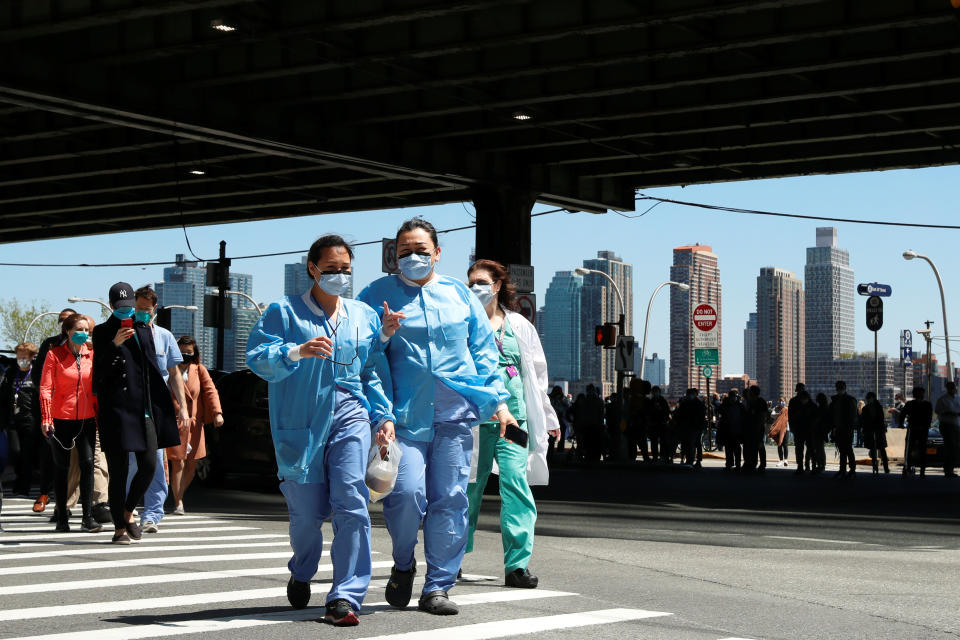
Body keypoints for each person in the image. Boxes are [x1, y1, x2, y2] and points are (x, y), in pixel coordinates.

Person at [357, 218, 510, 616]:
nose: (413, 257)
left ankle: (438, 586)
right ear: (394, 255)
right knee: (406, 494)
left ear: (437, 253)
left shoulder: (459, 295)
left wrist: (495, 398)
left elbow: (483, 351)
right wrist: (384, 337)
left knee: (451, 500)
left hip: (455, 416)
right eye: (405, 251)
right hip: (402, 419)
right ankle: (404, 562)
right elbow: (366, 359)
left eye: (421, 250)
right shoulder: (376, 294)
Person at [247, 234, 396, 626]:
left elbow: (371, 370)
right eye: (331, 269)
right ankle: (302, 567)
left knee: (352, 500)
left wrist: (383, 417)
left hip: (351, 414)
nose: (339, 276)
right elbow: (257, 359)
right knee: (306, 516)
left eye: (345, 269)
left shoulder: (363, 314)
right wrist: (296, 351)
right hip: (302, 422)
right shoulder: (284, 311)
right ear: (312, 268)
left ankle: (345, 595)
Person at [464, 259, 560, 590]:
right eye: (470, 282)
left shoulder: (520, 325)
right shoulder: (463, 324)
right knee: (468, 489)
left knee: (516, 484)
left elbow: (537, 375)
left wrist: (548, 415)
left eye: (480, 282)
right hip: (476, 419)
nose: (474, 287)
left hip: (516, 419)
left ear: (497, 286)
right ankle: (452, 556)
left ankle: (517, 565)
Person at [93, 282, 187, 545]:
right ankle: (119, 529)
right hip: (115, 410)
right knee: (119, 470)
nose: (127, 313)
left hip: (144, 409)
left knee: (149, 464)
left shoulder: (143, 329)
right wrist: (114, 345)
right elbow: (98, 375)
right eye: (121, 308)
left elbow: (156, 372)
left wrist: (174, 406)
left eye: (129, 308)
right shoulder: (101, 333)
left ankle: (127, 510)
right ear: (111, 306)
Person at [124, 286, 188, 534]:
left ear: (155, 310)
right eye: (138, 309)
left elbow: (174, 374)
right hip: (133, 407)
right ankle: (128, 510)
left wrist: (182, 407)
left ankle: (152, 514)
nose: (142, 314)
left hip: (157, 408)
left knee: (156, 463)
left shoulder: (165, 337)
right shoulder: (126, 334)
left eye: (147, 310)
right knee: (132, 463)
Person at [38, 314, 101, 533]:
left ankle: (87, 518)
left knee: (87, 464)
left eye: (87, 330)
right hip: (60, 419)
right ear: (67, 331)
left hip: (86, 419)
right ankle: (62, 516)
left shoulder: (91, 355)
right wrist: (46, 418)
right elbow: (45, 388)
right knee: (62, 468)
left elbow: (98, 388)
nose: (84, 333)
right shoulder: (54, 355)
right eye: (79, 329)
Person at [167, 336, 223, 515]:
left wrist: (217, 413)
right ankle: (178, 501)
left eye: (189, 352)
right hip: (175, 422)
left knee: (192, 465)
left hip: (195, 424)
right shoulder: (169, 369)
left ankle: (180, 493)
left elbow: (210, 390)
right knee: (178, 462)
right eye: (182, 352)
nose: (185, 355)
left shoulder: (198, 370)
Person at [29, 308, 74, 515]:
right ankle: (44, 493)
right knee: (49, 451)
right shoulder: (50, 343)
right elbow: (38, 377)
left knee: (77, 456)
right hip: (53, 408)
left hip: (75, 409)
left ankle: (68, 501)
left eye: (68, 320)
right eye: (61, 320)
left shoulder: (84, 346)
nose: (64, 324)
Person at [1, 342, 41, 497]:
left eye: (24, 356)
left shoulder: (36, 373)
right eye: (19, 356)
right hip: (13, 420)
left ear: (31, 357)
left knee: (27, 454)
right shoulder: (11, 373)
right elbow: (4, 396)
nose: (21, 359)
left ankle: (23, 486)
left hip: (31, 420)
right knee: (16, 451)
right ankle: (18, 479)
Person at [829, 381, 858, 479]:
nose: (839, 389)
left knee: (846, 450)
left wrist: (833, 427)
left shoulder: (836, 400)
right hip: (843, 429)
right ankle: (848, 470)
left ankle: (845, 470)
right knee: (845, 450)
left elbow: (833, 415)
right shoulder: (850, 400)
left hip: (843, 429)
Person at [902, 386, 933, 477]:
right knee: (910, 448)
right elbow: (903, 414)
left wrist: (927, 426)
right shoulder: (911, 404)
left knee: (920, 449)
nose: (920, 395)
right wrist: (900, 423)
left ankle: (921, 467)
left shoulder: (926, 404)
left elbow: (929, 417)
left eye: (921, 393)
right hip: (913, 428)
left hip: (921, 429)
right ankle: (909, 466)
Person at [673, 388, 705, 467]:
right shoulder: (694, 403)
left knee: (692, 443)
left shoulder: (696, 404)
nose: (691, 396)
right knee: (692, 443)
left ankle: (692, 460)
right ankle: (692, 460)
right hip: (690, 427)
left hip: (694, 427)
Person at [788, 384, 815, 475]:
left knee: (800, 448)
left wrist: (792, 427)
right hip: (806, 428)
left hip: (799, 428)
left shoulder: (793, 401)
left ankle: (801, 466)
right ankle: (807, 465)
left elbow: (790, 416)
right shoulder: (810, 402)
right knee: (809, 448)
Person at [935, 381, 960, 477]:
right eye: (950, 387)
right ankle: (948, 470)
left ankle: (951, 468)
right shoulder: (942, 399)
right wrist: (948, 413)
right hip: (946, 425)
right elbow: (937, 411)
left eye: (953, 387)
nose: (953, 389)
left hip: (956, 425)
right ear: (947, 388)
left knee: (955, 448)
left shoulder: (958, 398)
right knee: (950, 447)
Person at [861, 391, 889, 474]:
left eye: (869, 399)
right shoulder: (877, 407)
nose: (869, 400)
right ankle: (882, 467)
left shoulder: (868, 408)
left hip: (874, 430)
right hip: (876, 430)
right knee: (879, 449)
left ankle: (879, 467)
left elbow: (865, 420)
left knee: (877, 449)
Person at [743, 386, 769, 473]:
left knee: (759, 446)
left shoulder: (760, 402)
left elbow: (762, 417)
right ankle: (752, 463)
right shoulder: (751, 402)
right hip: (751, 428)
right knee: (752, 447)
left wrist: (758, 428)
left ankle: (761, 464)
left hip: (758, 428)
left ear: (753, 393)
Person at [718, 389, 745, 470]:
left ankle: (733, 464)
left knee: (731, 448)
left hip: (733, 430)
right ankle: (735, 464)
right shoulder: (736, 405)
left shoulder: (737, 405)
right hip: (732, 430)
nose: (734, 398)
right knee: (733, 448)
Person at [626, 379, 651, 462]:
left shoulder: (631, 399)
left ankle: (632, 457)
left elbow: (627, 412)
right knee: (642, 442)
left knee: (632, 442)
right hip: (640, 424)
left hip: (633, 424)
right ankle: (645, 457)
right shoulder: (644, 400)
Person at [647, 386, 670, 462]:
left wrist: (661, 410)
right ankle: (655, 457)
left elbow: (667, 412)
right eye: (654, 392)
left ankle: (663, 457)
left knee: (663, 442)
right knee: (654, 442)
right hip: (654, 425)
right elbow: (648, 413)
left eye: (656, 392)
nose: (655, 393)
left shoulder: (663, 401)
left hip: (662, 424)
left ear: (659, 392)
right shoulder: (651, 401)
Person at [769, 400, 789, 468]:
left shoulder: (786, 409)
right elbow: (772, 415)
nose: (781, 403)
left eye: (783, 402)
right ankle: (781, 460)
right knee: (779, 444)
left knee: (785, 444)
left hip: (786, 428)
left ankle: (786, 460)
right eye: (780, 402)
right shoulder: (776, 408)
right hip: (778, 429)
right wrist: (778, 414)